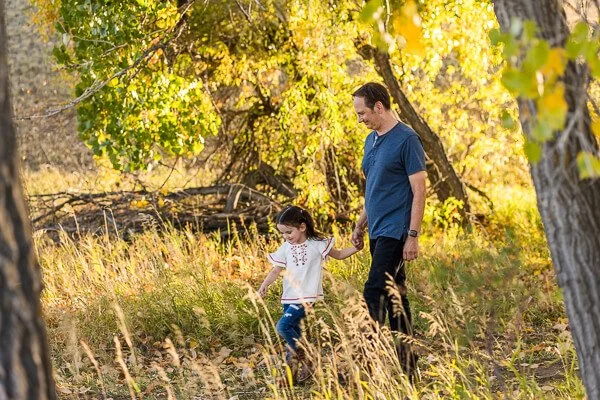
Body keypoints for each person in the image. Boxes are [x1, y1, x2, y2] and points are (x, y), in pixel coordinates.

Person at [350, 82, 426, 378]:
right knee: (397, 299)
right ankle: (409, 369)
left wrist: (413, 236)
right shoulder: (371, 140)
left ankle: (364, 362)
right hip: (377, 230)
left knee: (373, 289)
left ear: (379, 107)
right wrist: (360, 224)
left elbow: (419, 191)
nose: (360, 119)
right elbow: (375, 189)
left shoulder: (407, 140)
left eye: (363, 113)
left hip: (396, 231)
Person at [258, 205, 362, 384]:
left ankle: (309, 357)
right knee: (293, 336)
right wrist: (264, 285)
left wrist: (356, 248)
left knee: (282, 327)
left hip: (306, 297)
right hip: (288, 297)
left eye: (288, 232)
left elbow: (338, 255)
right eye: (282, 233)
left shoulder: (316, 244)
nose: (286, 237)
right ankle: (292, 376)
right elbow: (276, 270)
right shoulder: (286, 247)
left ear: (302, 227)